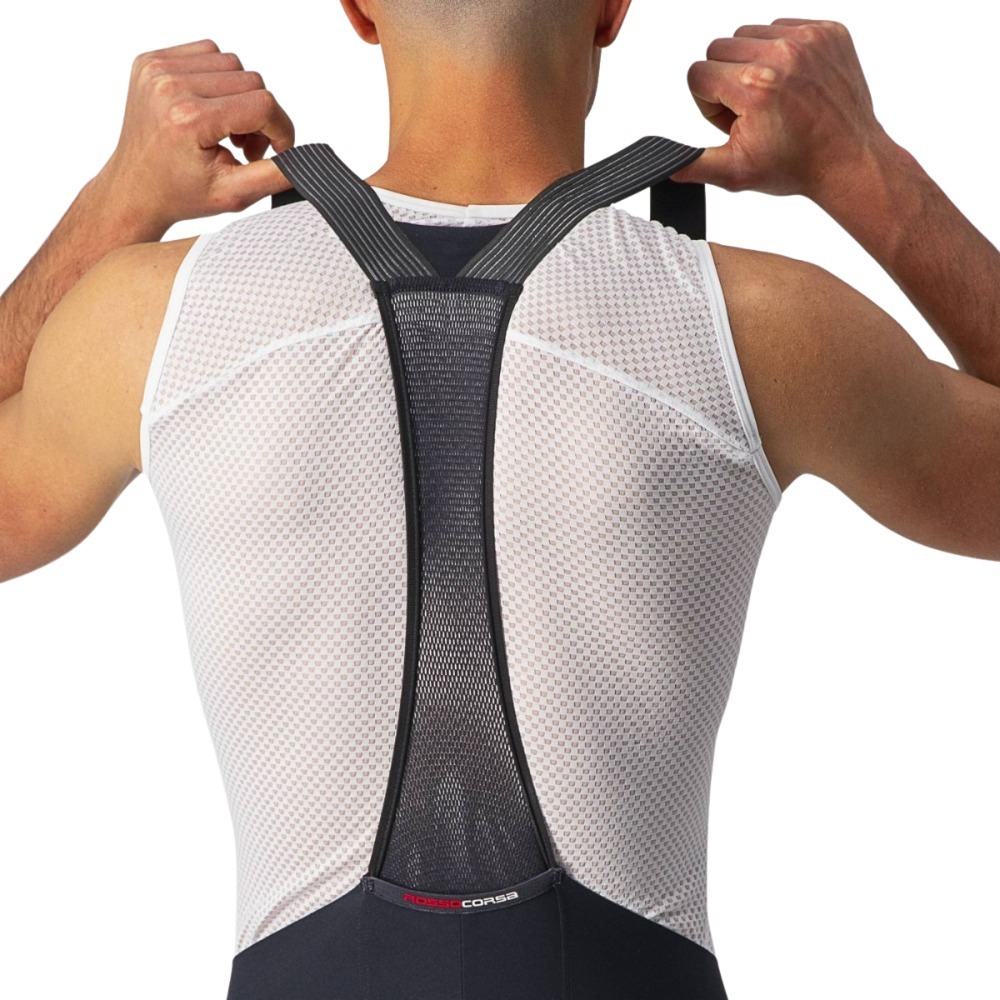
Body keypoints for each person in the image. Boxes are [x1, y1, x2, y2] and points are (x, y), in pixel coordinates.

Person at [1, 2, 997, 997]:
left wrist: (115, 204)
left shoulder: (153, 319)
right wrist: (860, 166)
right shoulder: (757, 323)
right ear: (611, 10)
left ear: (358, 10)